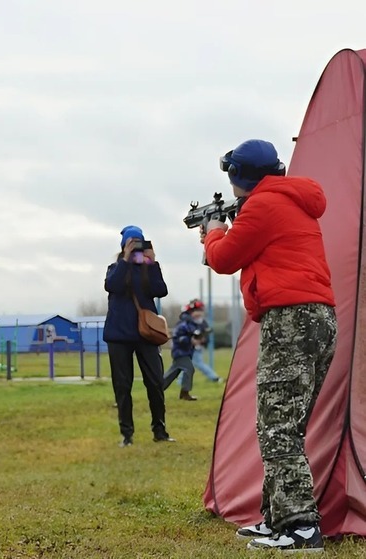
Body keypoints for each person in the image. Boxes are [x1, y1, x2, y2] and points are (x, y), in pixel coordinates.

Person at [202, 139, 337, 552]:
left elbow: (224, 258)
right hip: (317, 318)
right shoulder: (293, 199)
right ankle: (277, 517)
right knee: (285, 424)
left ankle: (300, 527)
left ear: (240, 176)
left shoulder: (261, 206)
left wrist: (212, 233)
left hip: (290, 320)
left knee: (277, 427)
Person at [103, 226, 173, 448]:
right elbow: (111, 285)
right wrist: (125, 260)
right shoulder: (114, 268)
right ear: (123, 245)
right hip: (118, 335)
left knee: (155, 382)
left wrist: (153, 264)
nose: (136, 248)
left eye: (140, 243)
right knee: (122, 386)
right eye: (132, 243)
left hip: (146, 334)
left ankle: (159, 430)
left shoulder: (148, 269)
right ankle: (127, 434)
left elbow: (160, 290)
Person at [162, 307, 202, 401]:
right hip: (180, 352)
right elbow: (177, 338)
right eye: (198, 312)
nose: (200, 314)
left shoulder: (192, 324)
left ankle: (156, 389)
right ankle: (185, 392)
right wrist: (190, 340)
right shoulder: (183, 325)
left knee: (172, 374)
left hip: (186, 352)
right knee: (189, 369)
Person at [184, 300, 223, 383]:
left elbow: (206, 334)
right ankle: (214, 377)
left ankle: (214, 377)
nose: (198, 313)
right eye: (195, 311)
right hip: (187, 347)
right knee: (189, 364)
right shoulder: (187, 322)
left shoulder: (203, 322)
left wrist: (203, 340)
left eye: (199, 311)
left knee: (191, 364)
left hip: (197, 348)